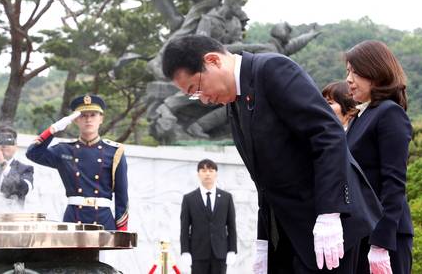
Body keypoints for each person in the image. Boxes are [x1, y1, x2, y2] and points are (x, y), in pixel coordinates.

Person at [161, 35, 382, 274]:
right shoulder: (235, 103)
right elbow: (265, 180)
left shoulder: (272, 70)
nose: (203, 99)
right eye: (194, 96)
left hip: (329, 227)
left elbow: (327, 135)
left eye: (198, 88)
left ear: (213, 61)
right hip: (290, 234)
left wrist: (330, 212)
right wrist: (263, 240)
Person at [344, 40, 413, 274]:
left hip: (385, 237)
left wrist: (381, 243)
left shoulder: (389, 113)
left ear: (375, 73)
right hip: (362, 233)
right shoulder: (362, 116)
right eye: (348, 72)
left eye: (355, 72)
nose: (349, 80)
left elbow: (394, 183)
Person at [26, 94, 129, 230]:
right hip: (73, 219)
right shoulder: (64, 150)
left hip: (103, 220)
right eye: (83, 115)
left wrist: (121, 230)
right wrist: (54, 129)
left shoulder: (115, 151)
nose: (88, 119)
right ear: (75, 120)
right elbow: (33, 153)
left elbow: (122, 195)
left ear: (101, 119)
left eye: (93, 115)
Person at [180, 159, 237, 274]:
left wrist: (232, 250)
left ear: (216, 173)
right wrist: (185, 251)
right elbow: (184, 228)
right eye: (203, 170)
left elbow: (231, 226)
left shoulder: (226, 198)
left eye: (211, 170)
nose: (207, 174)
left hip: (220, 253)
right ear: (198, 174)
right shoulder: (189, 199)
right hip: (198, 253)